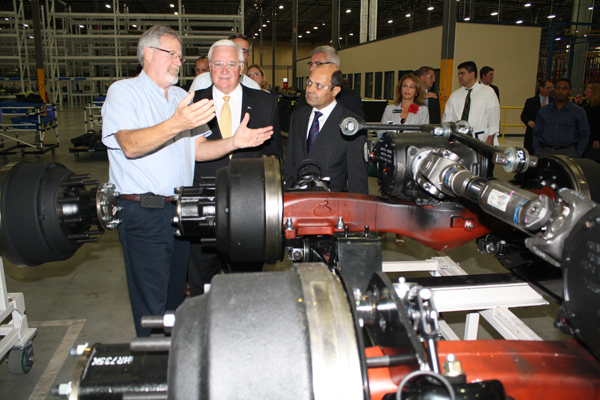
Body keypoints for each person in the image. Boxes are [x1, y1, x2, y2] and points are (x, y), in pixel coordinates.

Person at [101, 26, 274, 336]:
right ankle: (153, 370)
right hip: (143, 213)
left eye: (181, 56)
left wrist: (234, 142)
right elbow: (130, 144)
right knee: (150, 304)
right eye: (173, 55)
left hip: (180, 213)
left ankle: (174, 363)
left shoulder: (182, 96)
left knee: (173, 303)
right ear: (149, 54)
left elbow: (200, 150)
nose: (179, 62)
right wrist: (176, 123)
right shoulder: (124, 92)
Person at [188, 40, 283, 297]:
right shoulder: (193, 103)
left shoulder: (265, 103)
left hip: (249, 213)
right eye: (218, 64)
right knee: (200, 287)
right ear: (209, 68)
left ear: (241, 66)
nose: (224, 70)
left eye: (231, 63)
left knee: (246, 288)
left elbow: (274, 159)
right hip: (204, 208)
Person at [283, 64, 368, 194]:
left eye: (319, 86)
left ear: (335, 91)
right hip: (296, 201)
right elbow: (289, 163)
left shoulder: (352, 124)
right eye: (309, 83)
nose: (310, 90)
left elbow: (357, 179)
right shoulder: (298, 116)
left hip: (330, 205)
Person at [296, 46, 365, 119]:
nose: (311, 69)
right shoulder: (305, 95)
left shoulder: (350, 97)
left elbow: (357, 127)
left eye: (318, 64)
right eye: (311, 64)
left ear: (333, 67)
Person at [442, 61, 500, 146]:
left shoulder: (487, 92)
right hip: (458, 139)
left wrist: (490, 139)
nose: (459, 77)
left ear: (472, 74)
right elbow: (447, 118)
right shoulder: (455, 95)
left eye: (462, 74)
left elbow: (493, 117)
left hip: (482, 139)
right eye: (458, 74)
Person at [532, 77, 589, 158]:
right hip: (545, 152)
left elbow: (584, 133)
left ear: (570, 92)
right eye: (558, 88)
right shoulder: (544, 110)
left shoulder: (578, 111)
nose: (561, 91)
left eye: (565, 88)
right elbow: (537, 131)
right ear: (554, 90)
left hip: (569, 153)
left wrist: (578, 152)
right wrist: (537, 150)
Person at [189, 33, 260, 91]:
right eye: (234, 48)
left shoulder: (253, 87)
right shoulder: (201, 81)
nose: (238, 54)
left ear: (247, 57)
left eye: (243, 51)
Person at [520, 79, 554, 155]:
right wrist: (528, 121)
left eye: (551, 88)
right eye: (548, 88)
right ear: (541, 88)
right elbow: (524, 115)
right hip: (532, 135)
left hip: (549, 136)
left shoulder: (554, 102)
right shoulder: (531, 101)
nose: (550, 90)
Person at [579, 83, 600, 162]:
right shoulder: (585, 103)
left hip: (593, 139)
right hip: (585, 138)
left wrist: (597, 139)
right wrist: (577, 102)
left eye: (587, 90)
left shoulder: (598, 106)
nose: (585, 92)